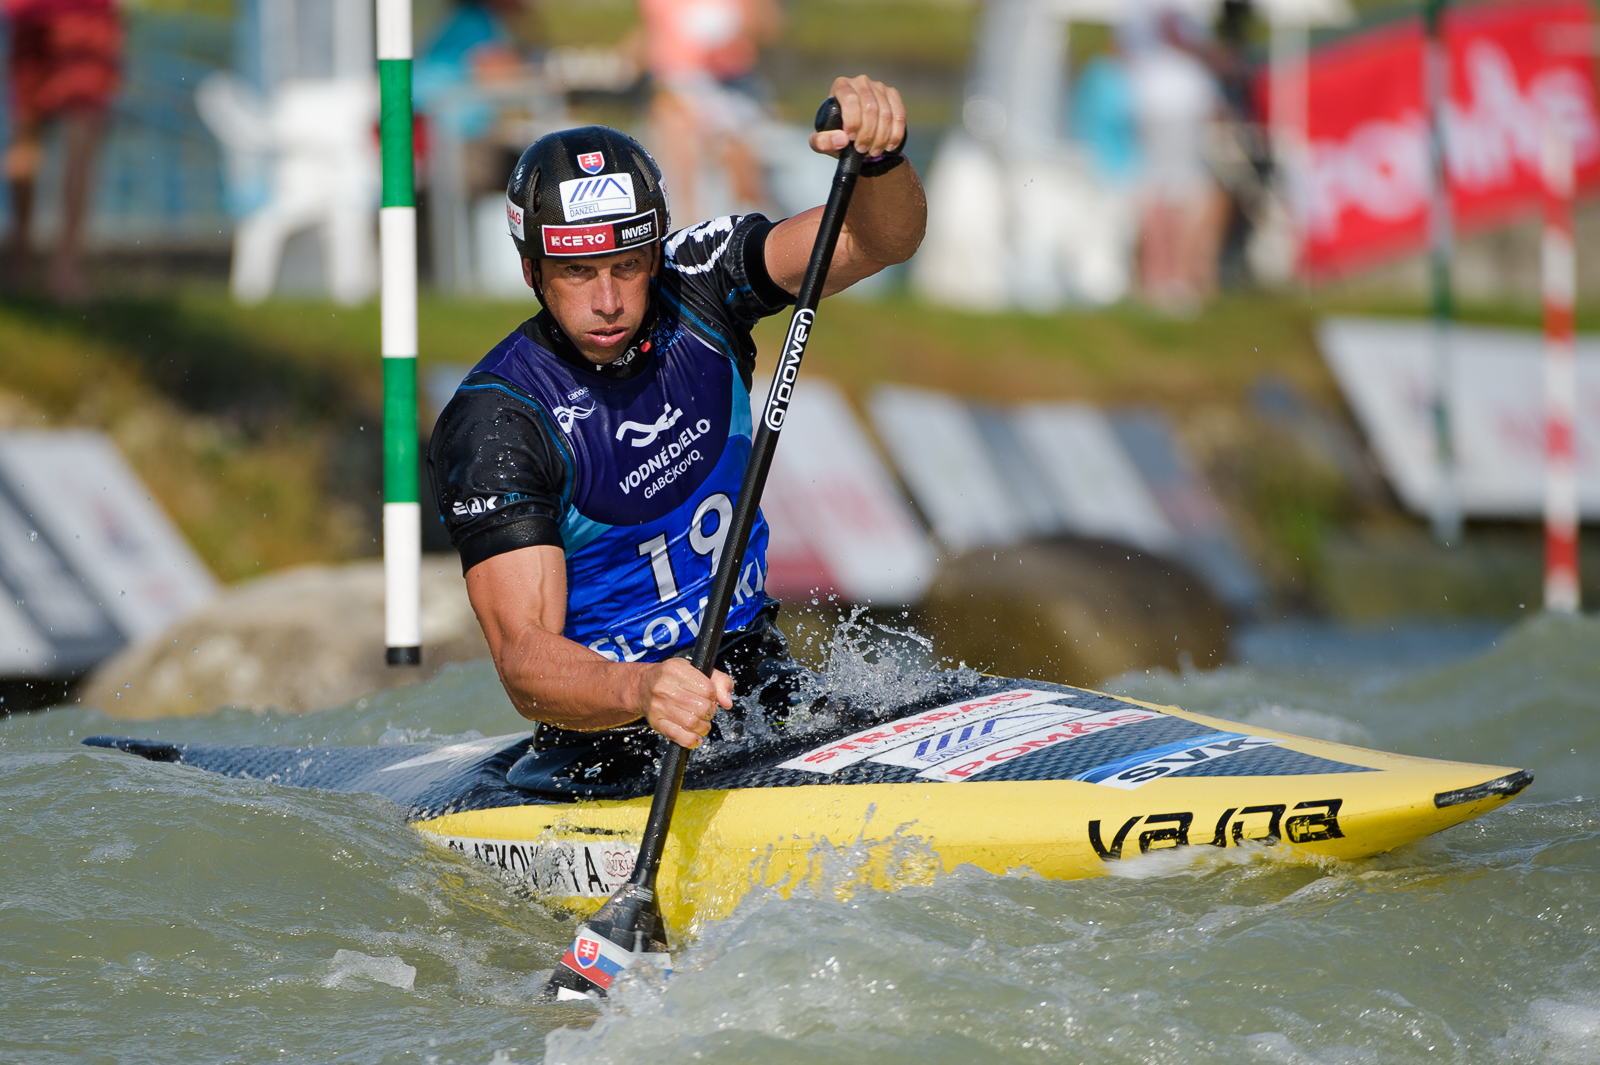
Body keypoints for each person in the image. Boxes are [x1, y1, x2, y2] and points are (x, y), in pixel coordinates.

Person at [428, 75, 923, 794]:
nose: (608, 300)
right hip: (611, 743)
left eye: (628, 265)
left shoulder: (702, 281)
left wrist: (881, 159)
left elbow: (879, 239)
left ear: (656, 254)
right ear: (533, 270)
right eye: (577, 272)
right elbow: (525, 661)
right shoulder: (498, 420)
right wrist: (642, 690)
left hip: (760, 686)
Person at [2, 0, 122, 301]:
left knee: (26, 130)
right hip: (84, 10)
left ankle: (19, 266)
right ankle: (65, 274)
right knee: (82, 133)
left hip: (26, 9)